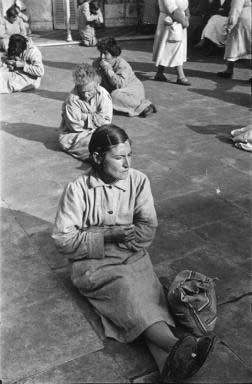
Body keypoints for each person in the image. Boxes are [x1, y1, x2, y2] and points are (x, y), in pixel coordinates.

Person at [52, 124, 214, 382]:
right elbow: (63, 239)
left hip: (132, 254)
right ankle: (177, 347)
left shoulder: (138, 181)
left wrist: (128, 240)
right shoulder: (78, 189)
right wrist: (106, 236)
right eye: (118, 157)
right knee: (127, 291)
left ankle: (168, 368)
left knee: (146, 298)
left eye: (130, 155)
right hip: (94, 263)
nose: (127, 163)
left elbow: (148, 226)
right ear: (96, 157)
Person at [58, 63, 113, 161]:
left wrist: (84, 117)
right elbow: (75, 126)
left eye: (90, 91)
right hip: (75, 134)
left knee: (110, 136)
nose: (86, 95)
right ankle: (99, 157)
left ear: (97, 85)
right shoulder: (72, 100)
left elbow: (106, 121)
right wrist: (96, 119)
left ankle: (99, 154)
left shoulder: (103, 94)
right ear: (77, 86)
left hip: (97, 131)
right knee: (68, 142)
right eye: (83, 92)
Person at [94, 37, 157, 117]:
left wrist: (108, 69)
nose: (102, 56)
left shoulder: (123, 65)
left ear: (114, 54)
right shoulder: (98, 62)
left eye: (105, 53)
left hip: (131, 92)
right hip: (114, 91)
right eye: (101, 53)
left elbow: (119, 85)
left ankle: (144, 106)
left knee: (114, 96)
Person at [153, 0, 191, 86]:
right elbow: (172, 9)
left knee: (166, 48)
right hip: (170, 20)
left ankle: (159, 73)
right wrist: (184, 21)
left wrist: (187, 16)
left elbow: (185, 6)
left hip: (179, 21)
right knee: (173, 47)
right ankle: (180, 76)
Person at [217, 0, 251, 78]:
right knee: (249, 47)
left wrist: (230, 25)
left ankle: (229, 70)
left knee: (233, 46)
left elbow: (236, 9)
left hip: (243, 21)